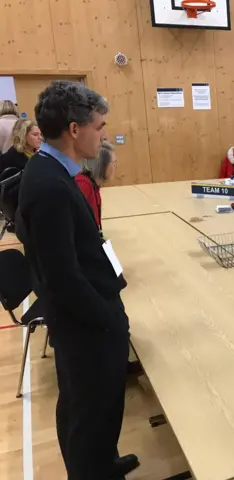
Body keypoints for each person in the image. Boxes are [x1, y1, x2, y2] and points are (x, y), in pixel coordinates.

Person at [16, 81, 139, 479]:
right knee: (88, 410)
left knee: (90, 407)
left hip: (83, 318)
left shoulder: (50, 170)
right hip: (85, 324)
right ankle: (93, 470)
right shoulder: (50, 184)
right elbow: (62, 276)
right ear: (74, 129)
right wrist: (106, 318)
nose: (103, 134)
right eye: (100, 126)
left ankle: (103, 461)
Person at [75, 141, 116, 233]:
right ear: (101, 165)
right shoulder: (83, 185)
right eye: (113, 163)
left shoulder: (93, 185)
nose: (115, 167)